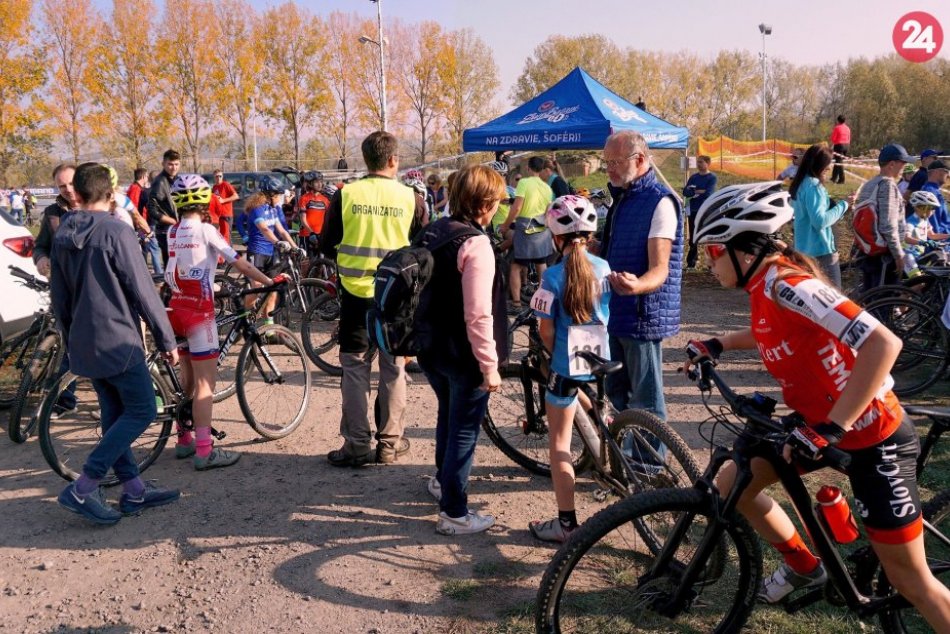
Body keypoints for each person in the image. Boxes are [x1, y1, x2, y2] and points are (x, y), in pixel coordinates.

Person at [685, 182, 950, 630]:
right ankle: (804, 566)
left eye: (712, 251)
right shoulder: (765, 285)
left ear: (743, 250)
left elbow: (884, 343)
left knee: (910, 580)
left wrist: (834, 427)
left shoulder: (792, 285)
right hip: (820, 424)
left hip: (873, 436)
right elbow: (772, 331)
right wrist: (719, 342)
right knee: (733, 484)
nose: (707, 263)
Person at [50, 162, 180, 525]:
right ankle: (84, 486)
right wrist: (166, 337)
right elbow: (143, 290)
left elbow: (58, 297)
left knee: (114, 415)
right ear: (110, 194)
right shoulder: (116, 231)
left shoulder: (63, 233)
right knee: (142, 410)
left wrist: (70, 340)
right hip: (118, 341)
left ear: (77, 193)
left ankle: (134, 491)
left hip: (85, 342)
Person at [320, 131, 424, 467]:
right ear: (393, 159)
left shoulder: (346, 194)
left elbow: (326, 244)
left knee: (354, 368)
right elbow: (424, 247)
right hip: (397, 297)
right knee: (394, 367)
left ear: (366, 159)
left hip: (356, 294)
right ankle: (390, 445)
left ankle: (357, 445)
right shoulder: (411, 198)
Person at [418, 165, 507, 535]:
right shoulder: (476, 244)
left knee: (448, 416)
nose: (500, 207)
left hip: (430, 346)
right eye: (498, 201)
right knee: (464, 430)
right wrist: (490, 365)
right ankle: (454, 512)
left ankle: (443, 482)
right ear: (485, 203)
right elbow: (478, 313)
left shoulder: (434, 231)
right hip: (462, 353)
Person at [165, 175, 276, 470]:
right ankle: (205, 451)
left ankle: (184, 439)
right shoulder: (206, 230)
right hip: (198, 313)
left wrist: (211, 284)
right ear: (205, 201)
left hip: (176, 309)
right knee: (205, 386)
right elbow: (241, 263)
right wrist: (269, 282)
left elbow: (185, 267)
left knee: (188, 380)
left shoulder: (172, 230)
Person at [527, 195, 613, 543]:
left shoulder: (551, 277)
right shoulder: (603, 267)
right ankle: (607, 422)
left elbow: (546, 331)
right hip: (598, 353)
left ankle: (566, 523)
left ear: (555, 238)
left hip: (567, 360)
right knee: (587, 389)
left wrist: (553, 355)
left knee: (560, 444)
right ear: (590, 235)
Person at [599, 130, 682, 423]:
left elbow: (661, 268)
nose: (609, 169)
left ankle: (648, 453)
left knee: (646, 402)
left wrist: (637, 286)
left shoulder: (660, 202)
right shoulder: (622, 198)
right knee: (616, 394)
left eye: (616, 162)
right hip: (616, 309)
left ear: (640, 159)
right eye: (606, 162)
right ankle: (625, 450)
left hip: (641, 314)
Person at [788, 145, 856, 287]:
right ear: (819, 165)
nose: (829, 168)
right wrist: (844, 205)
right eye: (827, 165)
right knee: (834, 296)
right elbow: (820, 221)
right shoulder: (814, 187)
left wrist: (838, 209)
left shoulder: (799, 184)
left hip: (802, 250)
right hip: (821, 252)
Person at [855, 144, 914, 292]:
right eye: (902, 163)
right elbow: (888, 225)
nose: (904, 167)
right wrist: (898, 255)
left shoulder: (870, 184)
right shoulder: (888, 186)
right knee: (884, 299)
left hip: (869, 249)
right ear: (892, 164)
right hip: (884, 255)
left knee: (869, 296)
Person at [499, 156, 554, 310]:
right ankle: (542, 303)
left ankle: (516, 304)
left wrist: (506, 225)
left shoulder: (524, 183)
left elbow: (517, 207)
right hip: (542, 228)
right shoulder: (547, 187)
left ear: (528, 168)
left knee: (516, 266)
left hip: (526, 228)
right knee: (541, 264)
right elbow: (548, 211)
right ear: (542, 169)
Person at [244, 175, 297, 327]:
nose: (280, 198)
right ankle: (244, 317)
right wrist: (277, 242)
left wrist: (295, 247)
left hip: (271, 254)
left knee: (272, 289)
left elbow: (282, 231)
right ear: (270, 194)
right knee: (257, 289)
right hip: (257, 252)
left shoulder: (273, 209)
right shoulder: (257, 209)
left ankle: (269, 326)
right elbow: (264, 229)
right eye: (278, 195)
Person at [682, 155, 717, 269]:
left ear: (708, 163)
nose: (698, 164)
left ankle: (711, 264)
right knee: (693, 237)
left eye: (701, 162)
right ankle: (691, 263)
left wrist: (694, 191)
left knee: (707, 236)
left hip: (705, 211)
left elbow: (708, 193)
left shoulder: (712, 178)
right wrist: (698, 191)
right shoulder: (693, 177)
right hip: (693, 210)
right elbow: (686, 192)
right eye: (698, 162)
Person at [147, 149, 182, 264]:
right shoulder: (160, 182)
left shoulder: (177, 180)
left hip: (178, 229)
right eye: (170, 164)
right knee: (171, 266)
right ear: (163, 164)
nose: (174, 168)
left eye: (176, 164)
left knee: (180, 265)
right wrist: (172, 221)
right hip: (166, 231)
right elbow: (152, 209)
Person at [905, 190, 950, 266]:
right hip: (908, 255)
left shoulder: (925, 220)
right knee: (916, 274)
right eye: (929, 208)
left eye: (933, 208)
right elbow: (906, 238)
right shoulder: (910, 222)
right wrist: (923, 242)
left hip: (919, 255)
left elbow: (932, 235)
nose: (932, 211)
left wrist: (948, 236)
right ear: (918, 208)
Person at [297, 171, 330, 257]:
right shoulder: (304, 198)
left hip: (320, 235)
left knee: (322, 261)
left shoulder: (325, 200)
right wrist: (311, 232)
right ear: (310, 184)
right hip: (307, 235)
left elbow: (328, 219)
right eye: (316, 182)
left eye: (321, 181)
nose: (319, 184)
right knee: (307, 261)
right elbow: (303, 219)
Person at [920, 159, 950, 234]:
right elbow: (933, 225)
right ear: (937, 171)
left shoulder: (932, 190)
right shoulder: (930, 193)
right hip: (942, 239)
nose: (948, 175)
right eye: (947, 171)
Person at [211, 170, 239, 244]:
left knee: (226, 238)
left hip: (226, 215)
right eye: (217, 176)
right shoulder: (214, 187)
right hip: (218, 216)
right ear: (214, 177)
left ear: (222, 176)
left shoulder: (226, 185)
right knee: (221, 237)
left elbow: (236, 196)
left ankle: (230, 251)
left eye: (220, 176)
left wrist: (223, 200)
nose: (218, 178)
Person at [830, 115, 850, 184]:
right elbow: (849, 138)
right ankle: (834, 177)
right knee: (838, 161)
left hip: (839, 145)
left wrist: (833, 143)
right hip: (846, 145)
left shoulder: (837, 128)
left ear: (838, 121)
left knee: (839, 162)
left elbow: (833, 138)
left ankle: (842, 179)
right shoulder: (847, 128)